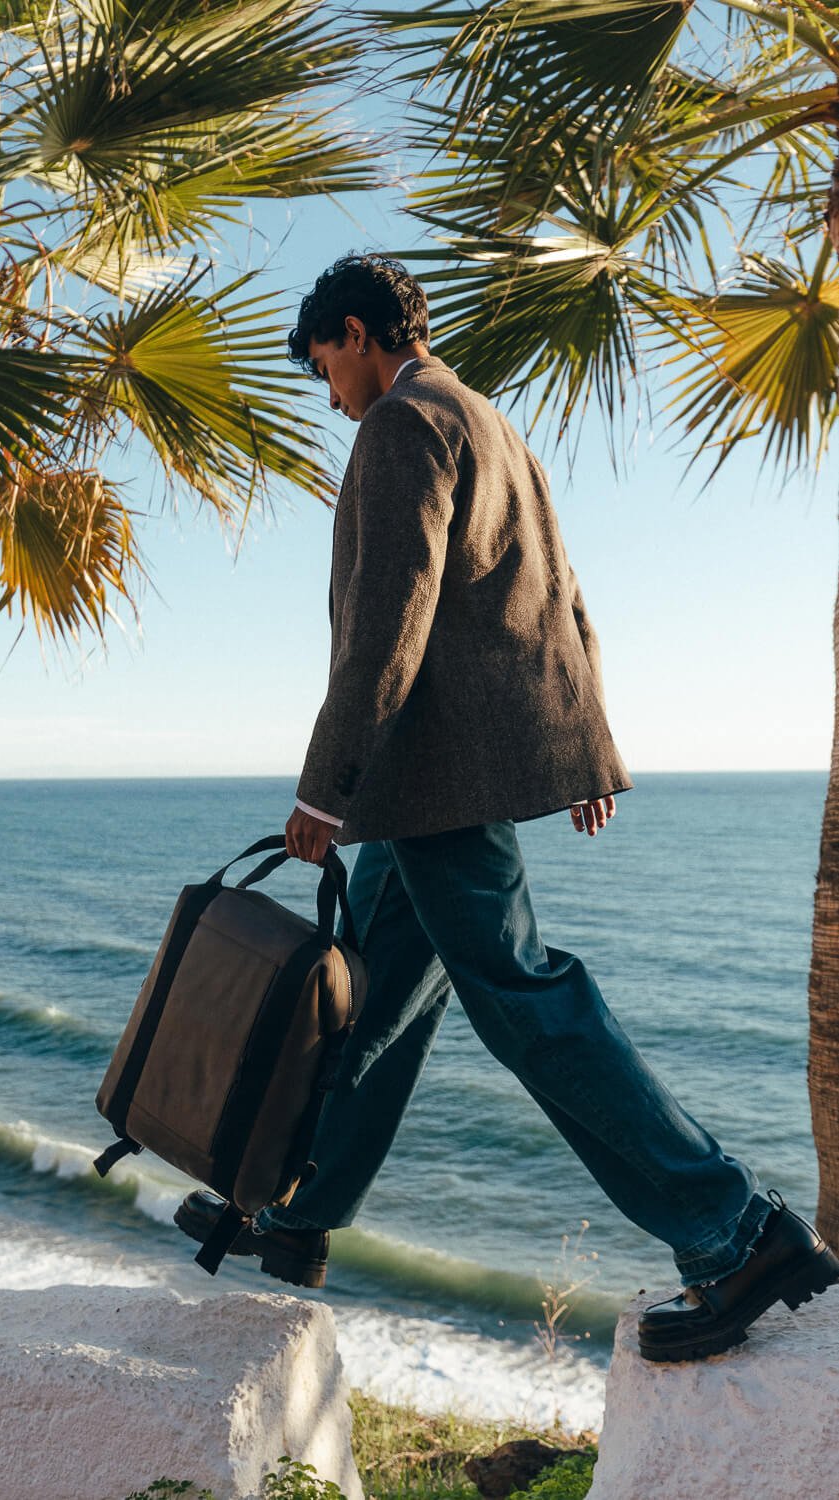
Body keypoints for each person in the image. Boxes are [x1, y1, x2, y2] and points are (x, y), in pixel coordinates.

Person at [174, 252, 839, 1362]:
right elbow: (563, 596)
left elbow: (390, 618)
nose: (327, 391)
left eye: (323, 364)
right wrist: (588, 749)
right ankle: (294, 1219)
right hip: (440, 781)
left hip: (426, 780)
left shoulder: (398, 424)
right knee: (379, 1007)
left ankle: (734, 1232)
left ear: (355, 332)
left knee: (523, 998)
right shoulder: (487, 419)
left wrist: (321, 790)